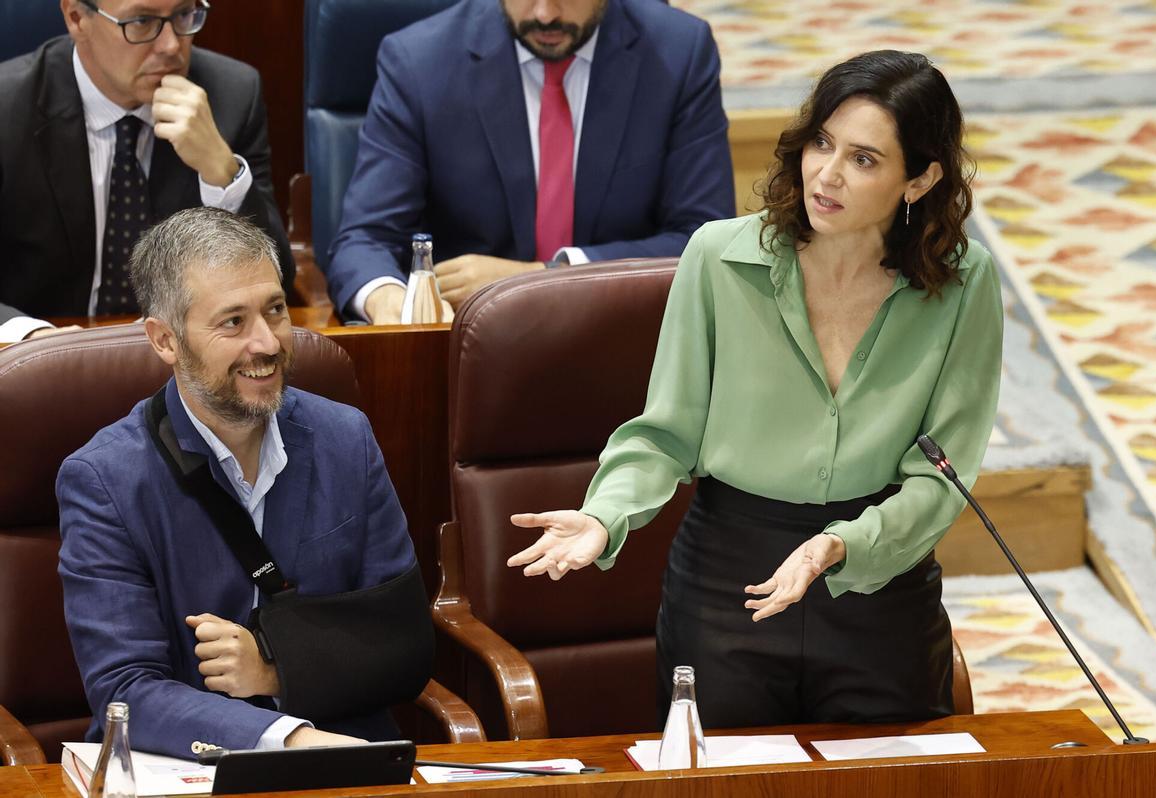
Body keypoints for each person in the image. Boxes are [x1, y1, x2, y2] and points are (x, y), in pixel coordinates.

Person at [508, 50, 1003, 728]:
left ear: (920, 180)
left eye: (864, 159)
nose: (826, 174)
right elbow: (666, 433)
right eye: (821, 143)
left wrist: (840, 545)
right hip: (726, 584)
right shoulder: (718, 257)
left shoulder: (963, 282)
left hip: (877, 582)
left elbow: (943, 474)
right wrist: (605, 515)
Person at [57, 208, 429, 758]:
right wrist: (287, 737)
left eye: (275, 310)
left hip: (349, 761)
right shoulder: (105, 480)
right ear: (166, 340)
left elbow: (404, 648)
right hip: (185, 767)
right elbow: (125, 690)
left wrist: (276, 669)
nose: (267, 343)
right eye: (232, 322)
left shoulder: (345, 438)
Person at [323, 0, 734, 320]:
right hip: (467, 355)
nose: (545, 13)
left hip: (626, 344)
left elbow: (702, 237)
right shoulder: (418, 62)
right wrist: (394, 303)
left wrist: (543, 277)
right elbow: (365, 239)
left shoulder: (678, 54)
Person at [0, 0, 294, 343]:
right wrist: (30, 336)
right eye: (141, 22)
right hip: (35, 366)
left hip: (181, 365)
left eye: (184, 14)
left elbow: (278, 280)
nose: (171, 45)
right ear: (77, 18)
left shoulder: (232, 95)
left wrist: (221, 170)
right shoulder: (8, 107)